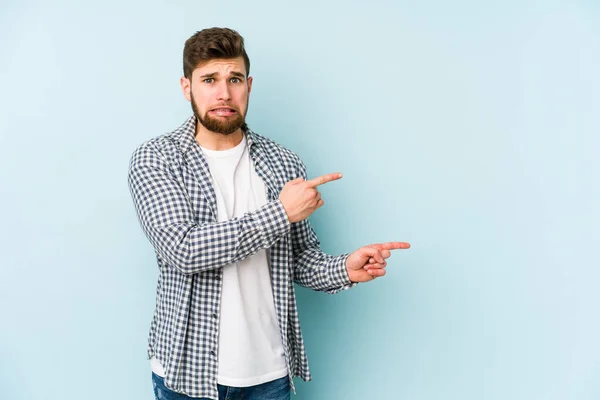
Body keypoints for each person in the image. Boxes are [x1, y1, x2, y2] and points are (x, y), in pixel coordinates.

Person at [127, 27, 410, 400]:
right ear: (186, 87)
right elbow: (184, 249)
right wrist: (280, 212)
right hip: (187, 375)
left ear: (249, 85)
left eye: (234, 79)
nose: (223, 93)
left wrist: (344, 268)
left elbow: (297, 260)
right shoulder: (157, 159)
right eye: (209, 79)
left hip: (269, 376)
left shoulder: (283, 162)